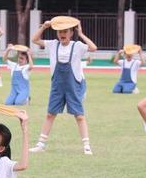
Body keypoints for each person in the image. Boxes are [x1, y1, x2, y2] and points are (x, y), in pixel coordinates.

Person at [29, 18, 97, 155]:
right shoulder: (53, 44)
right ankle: (41, 144)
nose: (62, 34)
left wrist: (82, 34)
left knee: (79, 116)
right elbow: (34, 40)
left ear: (71, 33)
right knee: (50, 114)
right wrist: (44, 27)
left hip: (73, 85)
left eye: (65, 31)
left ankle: (86, 145)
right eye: (60, 31)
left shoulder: (77, 45)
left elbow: (93, 48)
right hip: (57, 85)